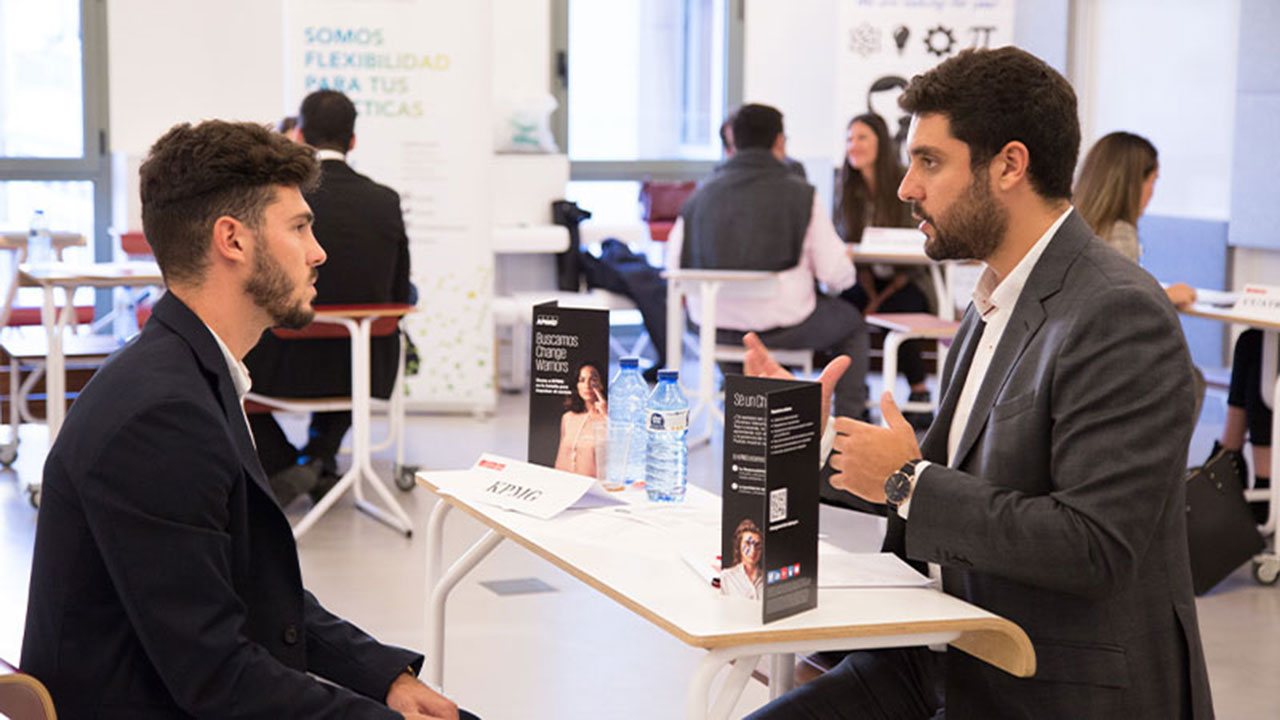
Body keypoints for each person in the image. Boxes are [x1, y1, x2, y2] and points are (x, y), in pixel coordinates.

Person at [743, 47, 1212, 719]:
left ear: (1009, 166)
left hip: (1050, 681)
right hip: (942, 653)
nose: (907, 187)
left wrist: (907, 480)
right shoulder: (997, 296)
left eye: (930, 162)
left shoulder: (1119, 311)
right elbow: (948, 485)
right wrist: (812, 441)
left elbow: (1093, 547)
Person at [21, 120, 470, 719]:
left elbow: (254, 590)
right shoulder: (161, 416)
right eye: (300, 227)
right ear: (232, 240)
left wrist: (383, 677)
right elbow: (218, 678)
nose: (319, 251)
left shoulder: (187, 373)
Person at [245, 89, 413, 507]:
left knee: (226, 366)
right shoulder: (385, 201)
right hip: (366, 365)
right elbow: (398, 288)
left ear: (298, 135)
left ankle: (287, 465)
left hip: (284, 365)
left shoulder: (278, 202)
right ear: (353, 141)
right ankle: (319, 459)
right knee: (351, 338)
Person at [668, 103, 869, 421]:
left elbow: (675, 266)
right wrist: (845, 272)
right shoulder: (801, 194)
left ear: (733, 141)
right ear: (779, 142)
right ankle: (848, 422)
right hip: (785, 327)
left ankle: (741, 404)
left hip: (713, 328)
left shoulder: (699, 196)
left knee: (735, 324)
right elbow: (835, 273)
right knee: (853, 324)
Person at [835, 112, 933, 428]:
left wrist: (882, 294)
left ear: (880, 142)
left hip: (907, 277)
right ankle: (855, 396)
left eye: (862, 138)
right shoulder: (846, 187)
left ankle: (919, 394)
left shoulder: (904, 182)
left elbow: (914, 247)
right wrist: (869, 289)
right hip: (865, 278)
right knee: (845, 308)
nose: (854, 145)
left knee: (900, 307)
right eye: (850, 139)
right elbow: (846, 241)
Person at [1074, 131, 1196, 307]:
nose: (1152, 192)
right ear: (1133, 183)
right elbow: (1123, 305)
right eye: (1153, 181)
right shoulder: (1120, 233)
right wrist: (1165, 296)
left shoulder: (1069, 227)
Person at [553, 363, 608, 478]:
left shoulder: (608, 419)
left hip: (594, 488)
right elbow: (560, 459)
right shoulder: (568, 418)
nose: (587, 385)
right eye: (582, 380)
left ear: (601, 383)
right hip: (566, 484)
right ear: (577, 385)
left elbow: (623, 452)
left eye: (593, 379)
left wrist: (606, 414)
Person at [720, 518, 764, 599]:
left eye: (757, 545)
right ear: (739, 545)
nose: (753, 550)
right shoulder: (726, 577)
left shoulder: (767, 579)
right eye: (747, 543)